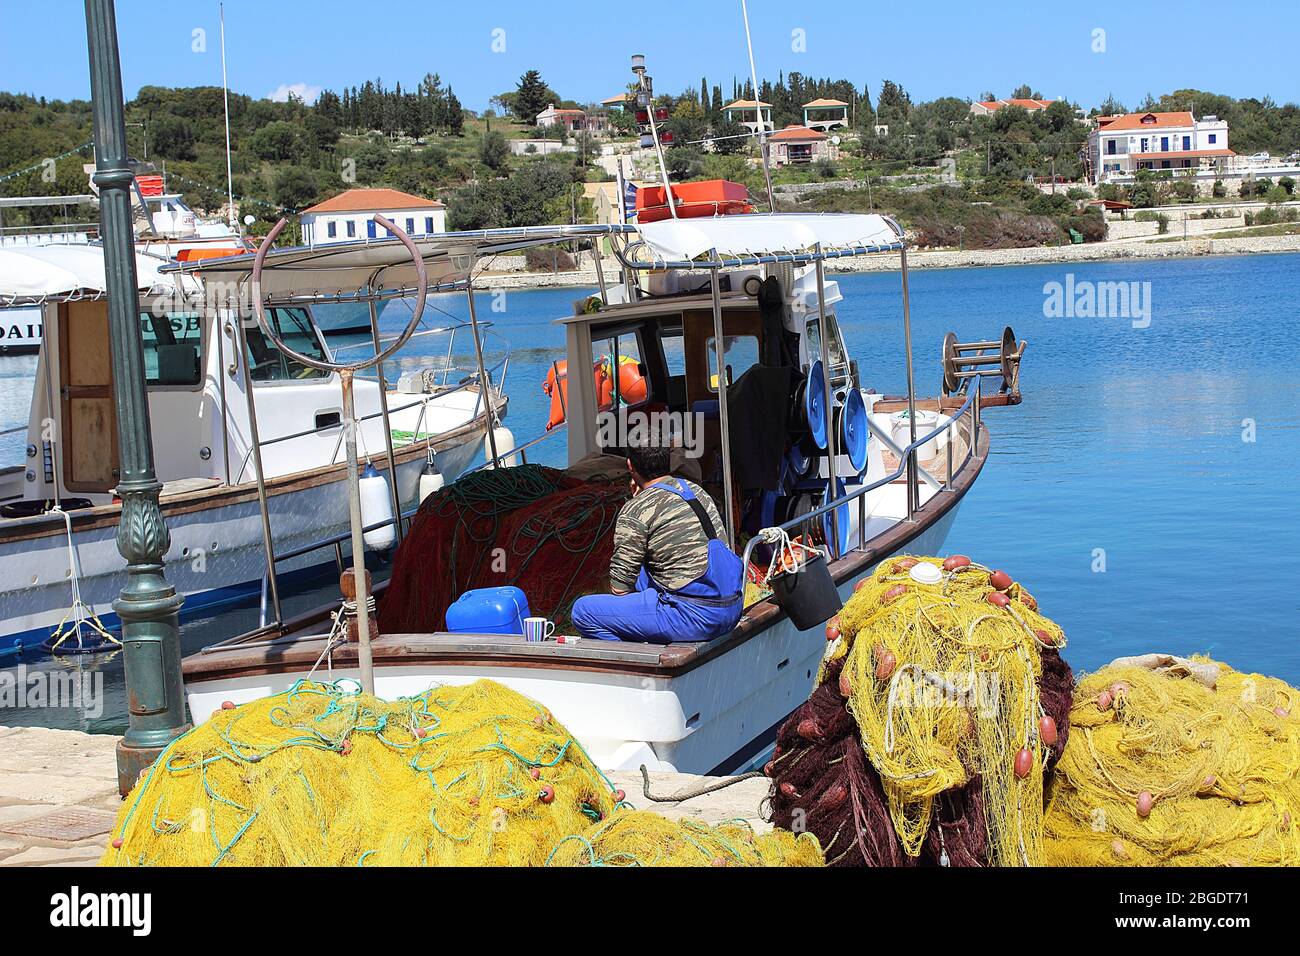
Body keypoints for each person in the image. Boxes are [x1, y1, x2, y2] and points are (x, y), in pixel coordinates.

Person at [571, 444, 744, 644]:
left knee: (583, 611)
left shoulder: (636, 509)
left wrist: (636, 504)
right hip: (732, 607)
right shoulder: (695, 490)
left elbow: (620, 589)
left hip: (694, 618)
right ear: (668, 461)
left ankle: (632, 660)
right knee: (645, 574)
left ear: (630, 465)